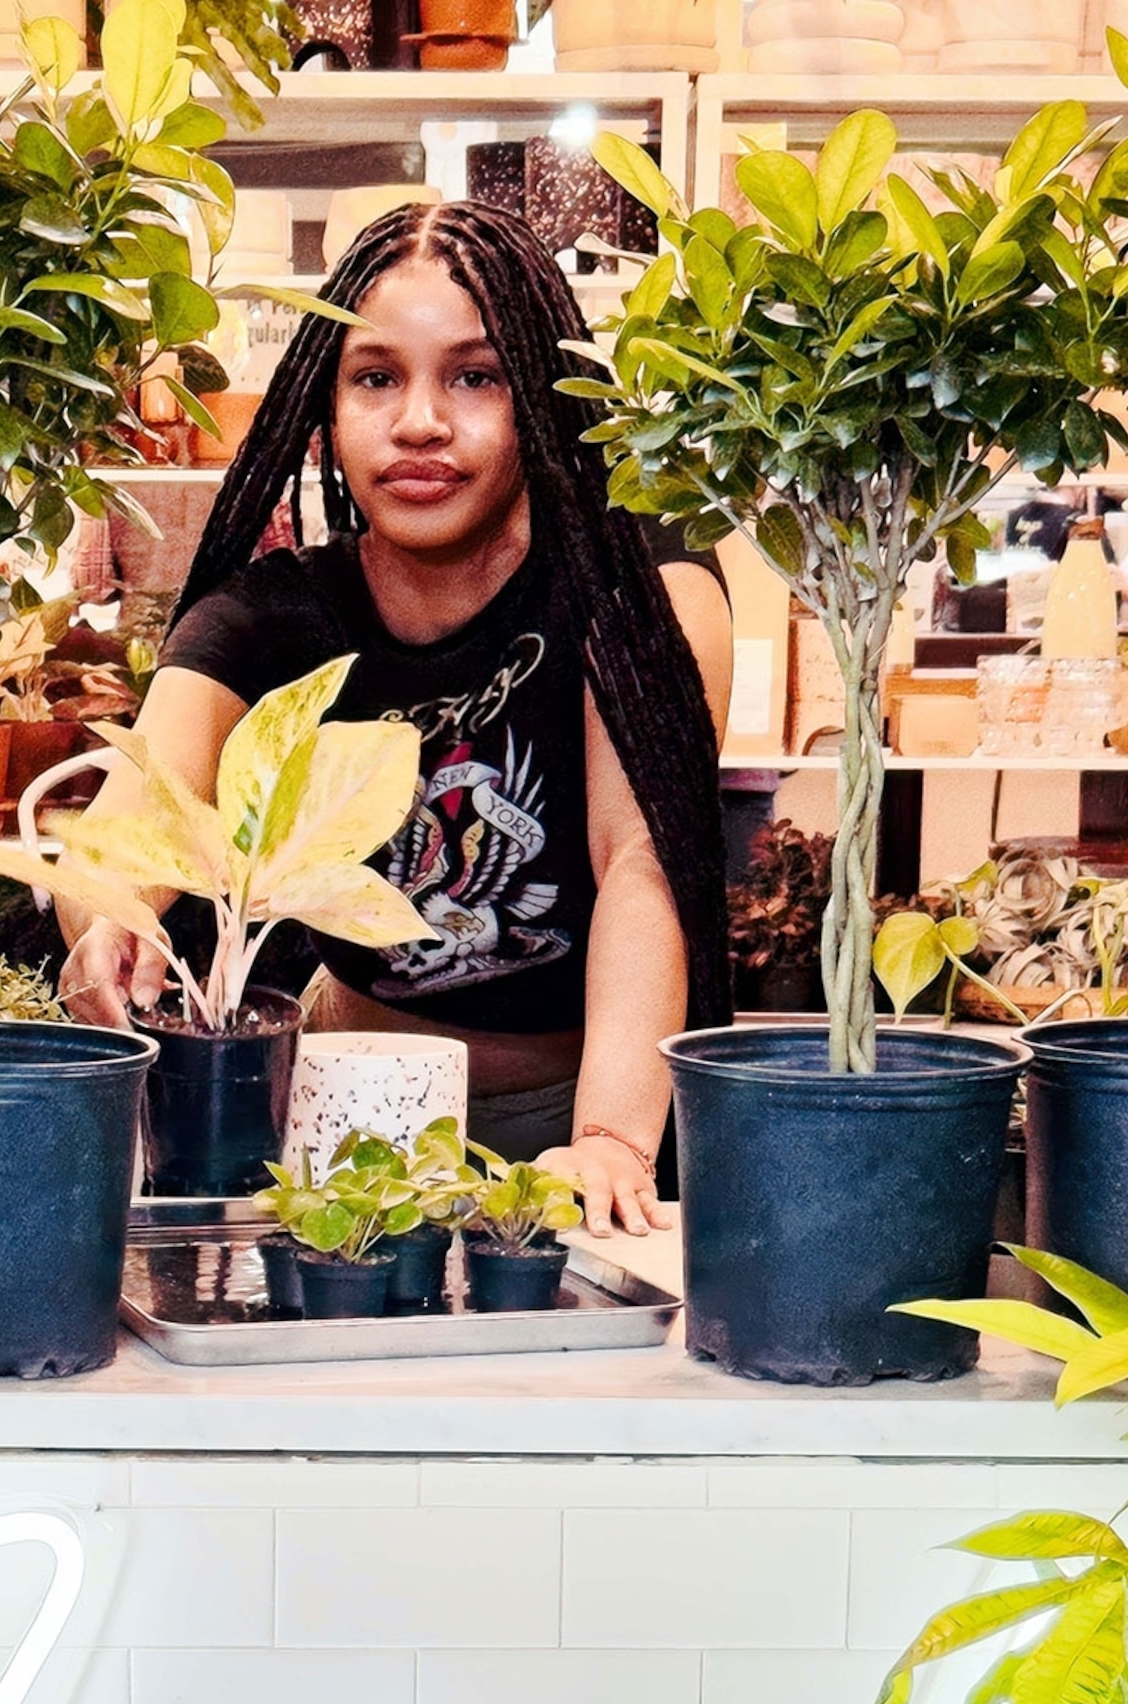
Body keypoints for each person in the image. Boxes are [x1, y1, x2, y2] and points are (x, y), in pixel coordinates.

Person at [57, 199, 733, 1235]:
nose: (421, 420)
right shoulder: (270, 617)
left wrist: (606, 1140)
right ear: (325, 407)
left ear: (541, 402)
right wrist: (111, 920)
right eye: (377, 377)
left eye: (476, 376)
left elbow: (643, 857)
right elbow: (129, 820)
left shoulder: (636, 587)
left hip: (600, 1104)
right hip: (344, 1107)